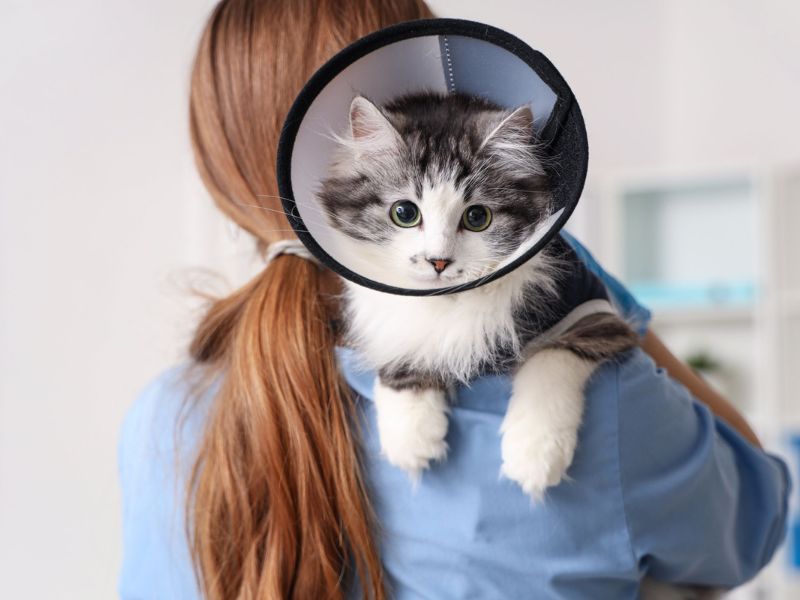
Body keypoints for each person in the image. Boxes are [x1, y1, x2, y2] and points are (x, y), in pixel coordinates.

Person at [118, 1, 791, 598]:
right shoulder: (608, 406)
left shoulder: (162, 419)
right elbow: (757, 518)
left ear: (214, 170)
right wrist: (600, 299)